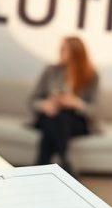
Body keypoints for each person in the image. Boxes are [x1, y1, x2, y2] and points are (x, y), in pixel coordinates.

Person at [29, 36, 99, 174]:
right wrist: (45, 104)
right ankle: (65, 161)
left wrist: (77, 103)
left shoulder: (91, 76)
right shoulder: (51, 70)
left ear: (76, 53)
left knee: (61, 119)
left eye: (64, 49)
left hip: (75, 120)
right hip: (50, 115)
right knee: (55, 118)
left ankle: (40, 167)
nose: (60, 52)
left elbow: (95, 109)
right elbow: (32, 100)